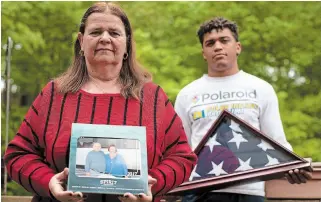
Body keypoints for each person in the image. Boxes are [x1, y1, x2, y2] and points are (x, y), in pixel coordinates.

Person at [4, 2, 197, 202]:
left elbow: (182, 158)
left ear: (127, 44)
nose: (105, 38)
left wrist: (152, 182)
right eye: (95, 32)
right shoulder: (53, 94)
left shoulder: (153, 97)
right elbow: (18, 155)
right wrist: (49, 182)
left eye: (114, 33)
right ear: (81, 41)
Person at [174, 17, 312, 202]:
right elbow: (180, 150)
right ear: (204, 53)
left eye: (224, 40)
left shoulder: (261, 88)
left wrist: (294, 166)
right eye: (210, 43)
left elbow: (277, 141)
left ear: (237, 47)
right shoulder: (187, 94)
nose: (217, 47)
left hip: (250, 192)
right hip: (200, 192)